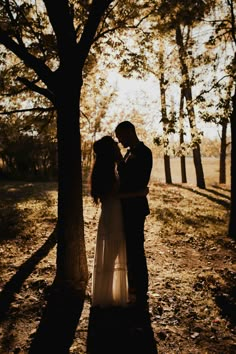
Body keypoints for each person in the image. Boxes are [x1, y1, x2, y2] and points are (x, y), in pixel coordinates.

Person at [90, 135, 148, 308]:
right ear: (110, 150)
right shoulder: (106, 168)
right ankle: (105, 295)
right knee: (111, 254)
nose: (118, 146)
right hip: (113, 214)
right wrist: (139, 193)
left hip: (113, 212)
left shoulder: (109, 166)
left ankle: (109, 292)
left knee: (113, 253)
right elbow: (111, 195)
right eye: (115, 145)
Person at [115, 121, 153, 309]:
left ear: (130, 132)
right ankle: (132, 287)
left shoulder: (144, 153)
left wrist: (121, 195)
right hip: (125, 207)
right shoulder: (129, 153)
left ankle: (141, 289)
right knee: (129, 250)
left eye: (120, 136)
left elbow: (137, 181)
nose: (119, 140)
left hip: (136, 208)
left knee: (136, 249)